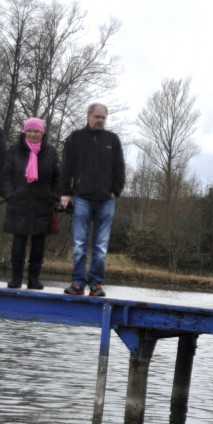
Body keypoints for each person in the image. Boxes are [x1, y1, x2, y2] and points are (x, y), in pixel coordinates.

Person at [60, 103, 125, 297]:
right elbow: (66, 167)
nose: (100, 120)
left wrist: (116, 191)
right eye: (97, 117)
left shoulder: (112, 140)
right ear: (88, 116)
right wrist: (66, 191)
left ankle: (96, 284)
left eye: (103, 117)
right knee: (80, 243)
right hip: (82, 198)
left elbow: (120, 168)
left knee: (101, 245)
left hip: (106, 199)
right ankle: (78, 282)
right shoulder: (75, 138)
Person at [1, 118, 60, 289]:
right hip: (19, 202)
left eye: (36, 131)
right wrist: (10, 195)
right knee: (18, 242)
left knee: (39, 244)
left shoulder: (51, 152)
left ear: (42, 133)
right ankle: (16, 279)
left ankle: (34, 279)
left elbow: (58, 176)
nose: (33, 134)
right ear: (24, 132)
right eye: (30, 131)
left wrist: (53, 196)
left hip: (43, 203)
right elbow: (6, 176)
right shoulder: (14, 151)